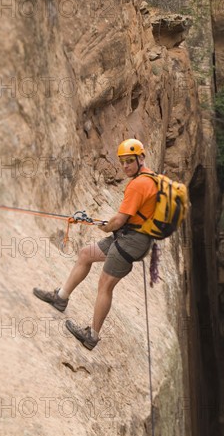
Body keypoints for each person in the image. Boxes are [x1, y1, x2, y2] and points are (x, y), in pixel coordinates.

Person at [33, 139, 157, 350]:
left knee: (105, 286)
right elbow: (129, 217)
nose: (125, 166)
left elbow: (118, 221)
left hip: (130, 242)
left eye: (129, 161)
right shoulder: (151, 178)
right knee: (85, 254)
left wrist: (106, 227)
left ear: (141, 158)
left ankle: (92, 335)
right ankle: (61, 298)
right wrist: (110, 225)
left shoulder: (138, 184)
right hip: (131, 236)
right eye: (122, 162)